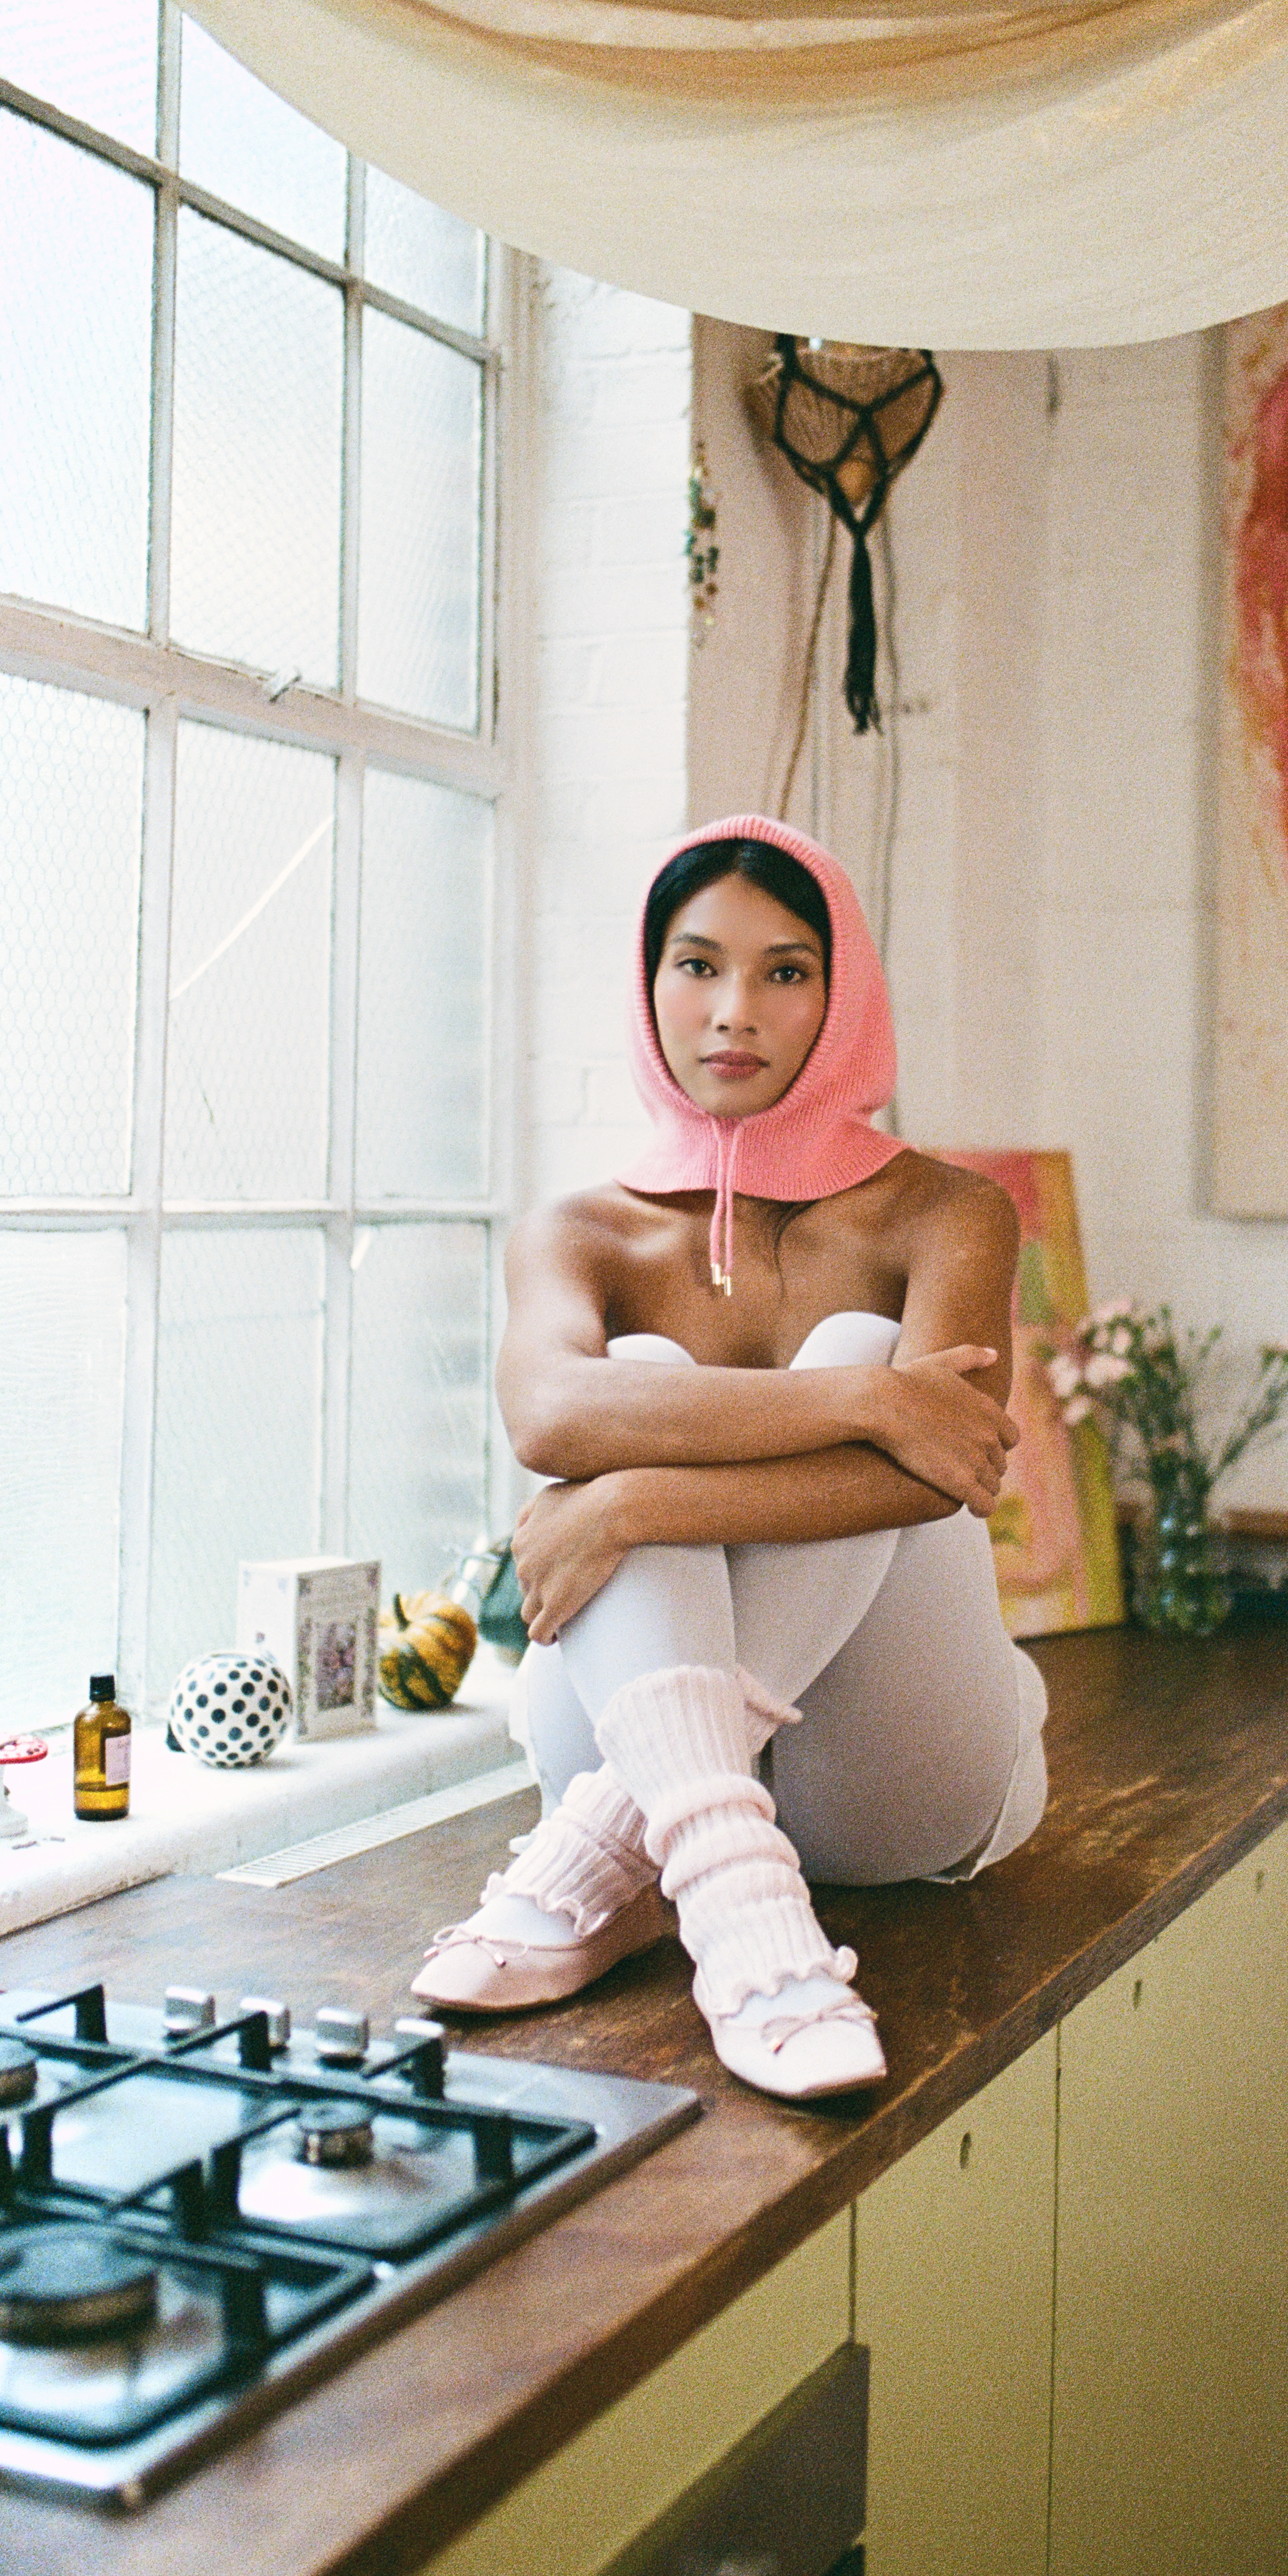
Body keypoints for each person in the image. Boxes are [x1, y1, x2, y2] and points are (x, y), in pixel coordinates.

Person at [413, 814, 1049, 2099]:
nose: (733, 1010)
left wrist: (637, 1497)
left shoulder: (946, 1212)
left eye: (785, 970)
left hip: (890, 1784)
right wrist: (870, 1404)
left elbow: (943, 1467)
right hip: (641, 1747)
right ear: (649, 985)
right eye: (696, 965)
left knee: (838, 1348)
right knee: (660, 1378)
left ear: (842, 991)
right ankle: (742, 1913)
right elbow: (550, 1420)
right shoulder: (579, 1231)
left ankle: (610, 1854)